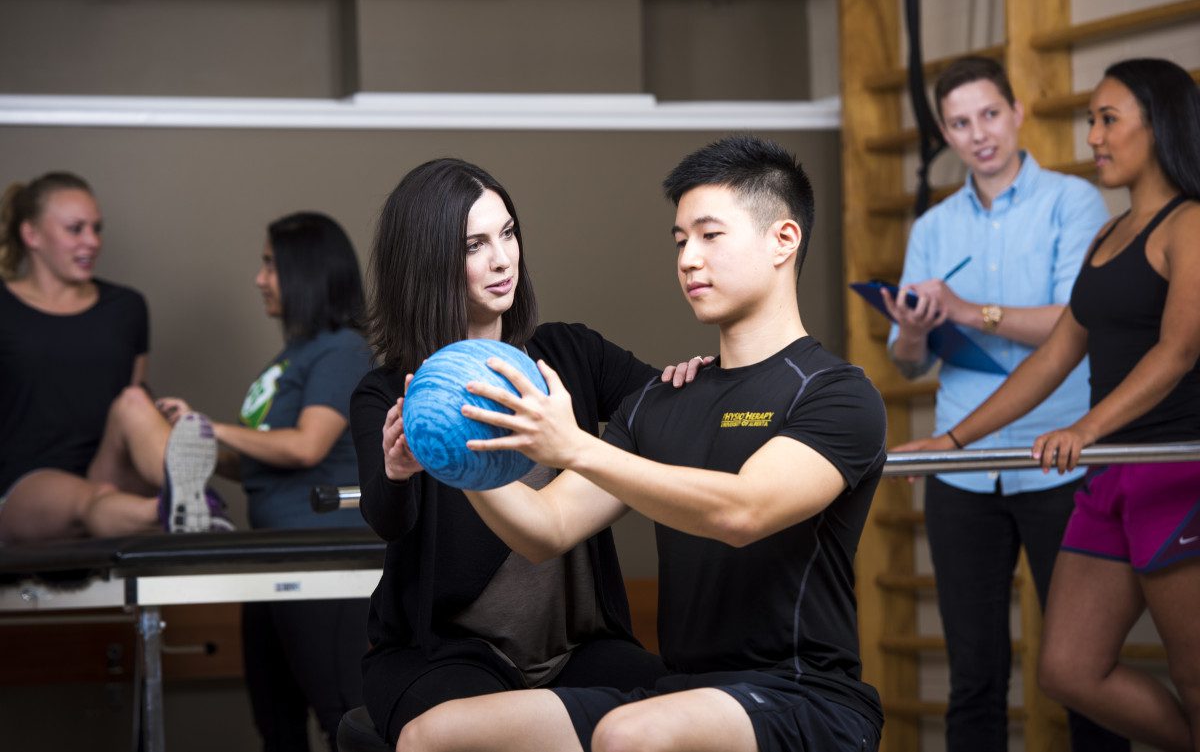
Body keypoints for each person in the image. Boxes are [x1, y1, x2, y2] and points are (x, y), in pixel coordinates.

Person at [393, 135, 887, 752]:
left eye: (710, 236)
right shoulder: (661, 400)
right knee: (434, 735)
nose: (687, 258)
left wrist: (574, 446)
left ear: (783, 240)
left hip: (804, 696)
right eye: (680, 240)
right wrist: (452, 450)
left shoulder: (837, 393)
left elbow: (744, 510)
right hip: (681, 691)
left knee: (632, 734)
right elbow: (544, 529)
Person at [350, 158, 707, 745]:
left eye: (508, 233)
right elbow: (389, 520)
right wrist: (395, 471)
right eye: (474, 245)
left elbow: (667, 414)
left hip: (580, 647)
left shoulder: (571, 351)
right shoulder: (389, 390)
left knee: (677, 713)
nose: (502, 258)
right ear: (428, 263)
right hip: (446, 655)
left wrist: (694, 384)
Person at [899, 58, 1200, 752]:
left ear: (1156, 127)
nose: (1092, 134)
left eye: (1107, 119)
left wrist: (1085, 426)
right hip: (1107, 478)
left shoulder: (1189, 225)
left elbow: (1178, 352)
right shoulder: (1110, 233)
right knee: (1069, 668)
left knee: (1192, 669)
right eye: (1091, 118)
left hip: (1168, 471)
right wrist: (952, 443)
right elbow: (1056, 357)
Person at [142, 211, 375, 750]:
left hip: (325, 562)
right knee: (275, 720)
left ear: (306, 271)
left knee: (342, 714)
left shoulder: (343, 350)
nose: (260, 278)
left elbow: (305, 445)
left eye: (270, 264)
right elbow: (258, 464)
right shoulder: (290, 358)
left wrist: (211, 425)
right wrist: (194, 441)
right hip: (271, 558)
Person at [0, 171, 171, 543]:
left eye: (97, 228)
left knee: (135, 400)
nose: (92, 241)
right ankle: (172, 513)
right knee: (94, 500)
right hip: (27, 486)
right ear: (31, 235)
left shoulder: (126, 307)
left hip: (109, 467)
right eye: (76, 229)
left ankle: (190, 496)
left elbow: (131, 401)